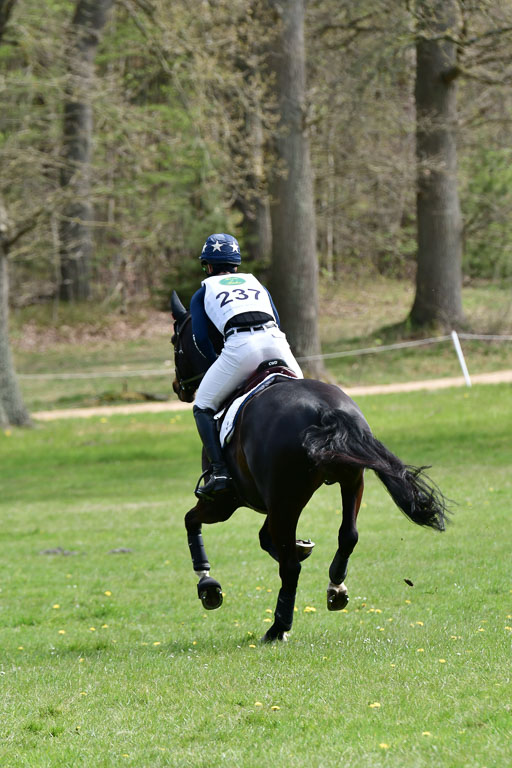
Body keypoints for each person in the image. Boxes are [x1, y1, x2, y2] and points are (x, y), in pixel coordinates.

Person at [191, 232, 303, 500]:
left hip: (241, 347)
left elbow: (201, 339)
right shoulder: (257, 284)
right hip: (277, 342)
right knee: (303, 396)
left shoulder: (204, 290)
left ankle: (218, 472)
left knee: (202, 406)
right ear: (237, 265)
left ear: (207, 266)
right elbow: (276, 318)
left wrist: (216, 363)